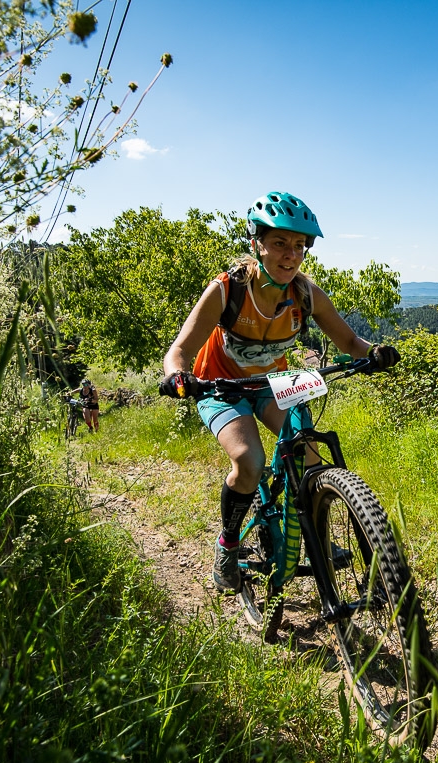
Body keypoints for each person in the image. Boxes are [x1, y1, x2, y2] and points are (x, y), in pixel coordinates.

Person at [159, 191, 400, 592]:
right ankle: (228, 546)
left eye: (300, 246)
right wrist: (178, 375)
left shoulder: (304, 294)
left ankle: (312, 539)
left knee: (308, 456)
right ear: (257, 244)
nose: (291, 255)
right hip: (220, 387)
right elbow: (180, 350)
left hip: (272, 384)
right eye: (280, 244)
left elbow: (349, 343)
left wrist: (373, 353)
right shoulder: (227, 292)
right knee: (249, 461)